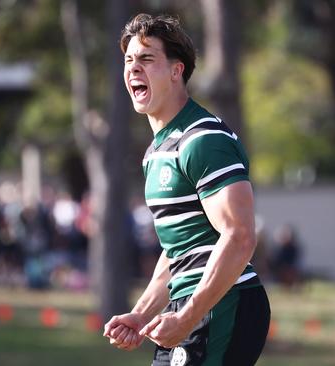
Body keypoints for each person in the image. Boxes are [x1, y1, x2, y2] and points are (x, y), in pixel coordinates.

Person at [103, 14, 270, 366]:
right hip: (191, 307)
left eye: (147, 59)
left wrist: (189, 316)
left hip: (224, 304)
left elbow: (240, 235)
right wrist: (141, 313)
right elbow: (179, 249)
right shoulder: (157, 153)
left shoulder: (203, 140)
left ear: (176, 71)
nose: (133, 68)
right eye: (129, 60)